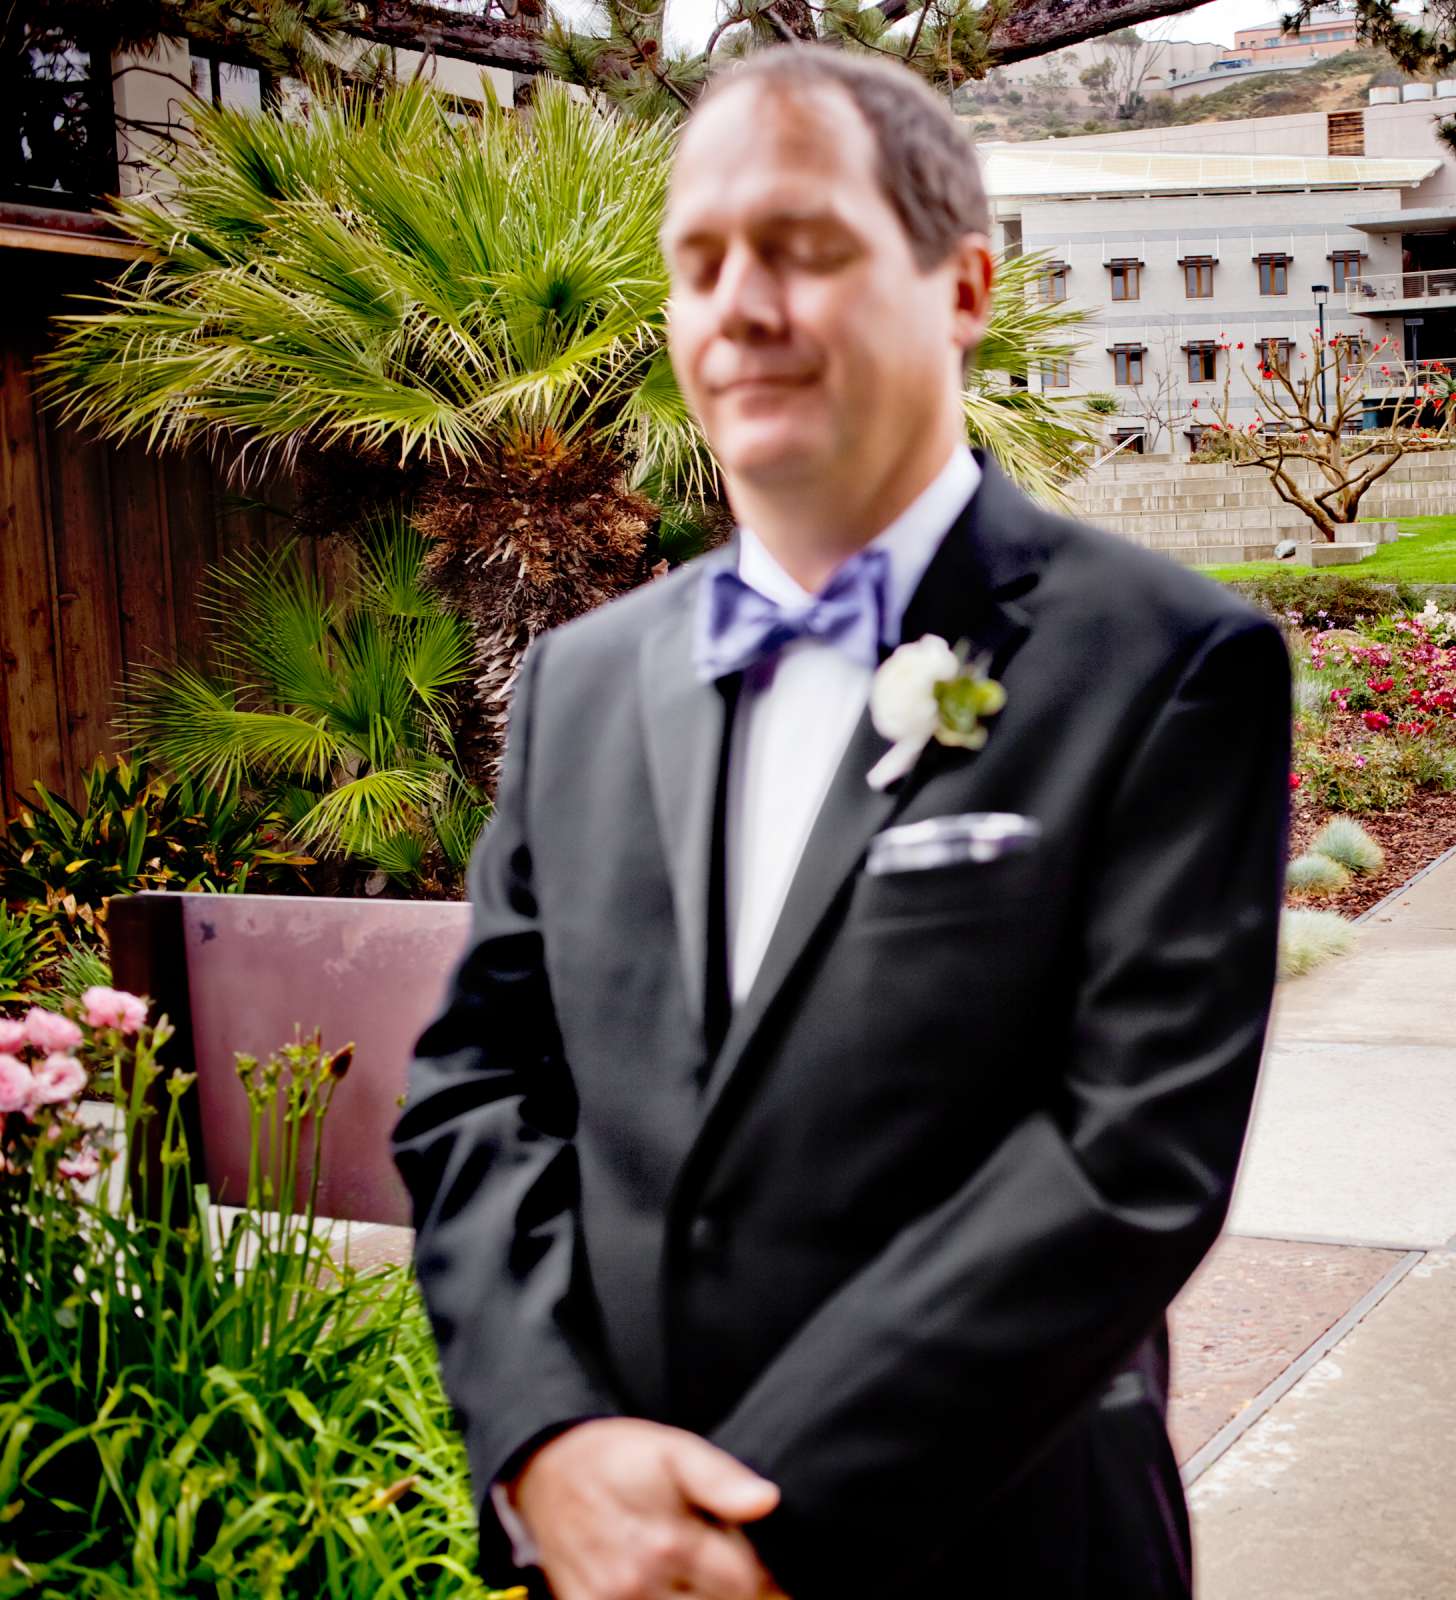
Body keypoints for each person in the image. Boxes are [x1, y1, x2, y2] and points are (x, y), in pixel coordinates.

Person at [393, 44, 1290, 1600]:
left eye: (804, 249)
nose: (741, 304)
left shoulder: (1169, 666)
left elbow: (1127, 1155)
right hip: (602, 1549)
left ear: (964, 287)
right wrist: (548, 1445)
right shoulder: (581, 686)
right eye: (699, 261)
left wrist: (747, 1527)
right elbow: (483, 1089)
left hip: (995, 1544)